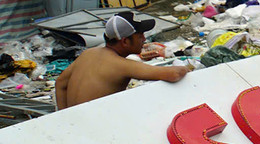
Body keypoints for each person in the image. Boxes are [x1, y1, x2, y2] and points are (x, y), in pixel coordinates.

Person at [55, 13, 189, 110]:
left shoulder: (88, 54)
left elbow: (60, 83)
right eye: (139, 35)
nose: (144, 39)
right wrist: (186, 68)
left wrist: (63, 115)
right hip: (92, 128)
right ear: (125, 41)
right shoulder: (121, 65)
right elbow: (174, 74)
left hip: (73, 124)